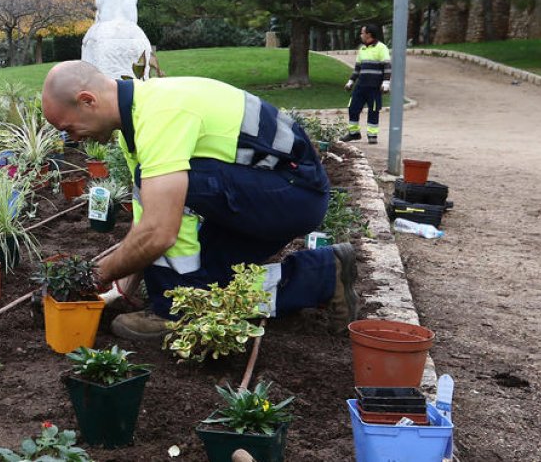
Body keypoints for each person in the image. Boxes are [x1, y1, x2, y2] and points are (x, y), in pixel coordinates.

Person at [41, 60, 357, 341]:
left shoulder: (160, 115)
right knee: (204, 289)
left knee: (175, 196)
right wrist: (123, 287)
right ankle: (322, 274)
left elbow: (158, 231)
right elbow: (146, 216)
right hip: (269, 193)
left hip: (293, 195)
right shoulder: (135, 121)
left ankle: (172, 313)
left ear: (88, 101)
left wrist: (97, 274)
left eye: (69, 128)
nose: (74, 139)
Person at [342, 24, 391, 145]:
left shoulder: (381, 48)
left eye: (362, 32)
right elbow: (357, 68)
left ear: (368, 34)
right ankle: (354, 133)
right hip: (361, 86)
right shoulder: (362, 49)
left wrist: (386, 83)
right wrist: (350, 82)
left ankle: (372, 135)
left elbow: (387, 66)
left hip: (374, 87)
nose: (361, 35)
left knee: (373, 110)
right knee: (352, 108)